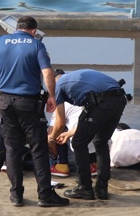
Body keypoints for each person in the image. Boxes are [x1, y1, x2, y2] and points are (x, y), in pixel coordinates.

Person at [0, 16, 69, 208]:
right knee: (38, 149)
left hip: (5, 101)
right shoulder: (36, 45)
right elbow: (48, 73)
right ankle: (45, 195)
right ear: (34, 30)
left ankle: (16, 195)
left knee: (13, 149)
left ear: (17, 28)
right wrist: (51, 96)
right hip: (29, 103)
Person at [49, 69, 129, 200]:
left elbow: (60, 123)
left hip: (102, 102)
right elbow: (88, 121)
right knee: (101, 141)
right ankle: (102, 188)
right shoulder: (77, 80)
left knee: (78, 143)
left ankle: (84, 188)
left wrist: (51, 138)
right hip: (120, 99)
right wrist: (69, 133)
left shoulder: (58, 86)